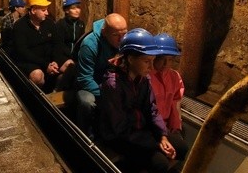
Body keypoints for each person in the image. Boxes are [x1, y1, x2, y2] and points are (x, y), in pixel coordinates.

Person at [98, 28, 177, 173]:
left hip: (140, 129)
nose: (152, 67)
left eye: (153, 61)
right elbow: (119, 127)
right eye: (147, 61)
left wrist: (162, 136)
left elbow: (152, 109)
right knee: (161, 164)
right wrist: (154, 142)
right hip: (119, 136)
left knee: (181, 147)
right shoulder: (113, 84)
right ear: (130, 59)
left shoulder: (143, 78)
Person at [75, 13, 127, 139]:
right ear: (104, 32)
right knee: (87, 102)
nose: (121, 39)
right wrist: (106, 96)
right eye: (116, 35)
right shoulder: (90, 45)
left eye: (124, 34)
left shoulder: (125, 41)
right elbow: (85, 78)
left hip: (111, 82)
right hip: (92, 83)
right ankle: (85, 134)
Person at [150, 33, 189, 165]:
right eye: (162, 59)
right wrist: (161, 135)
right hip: (151, 127)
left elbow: (175, 103)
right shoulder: (146, 76)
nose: (166, 64)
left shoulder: (174, 77)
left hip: (165, 125)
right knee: (160, 162)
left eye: (170, 59)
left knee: (182, 148)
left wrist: (176, 127)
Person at [13, 0, 58, 90]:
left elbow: (56, 44)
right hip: (30, 62)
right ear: (33, 10)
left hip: (48, 60)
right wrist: (45, 65)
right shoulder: (20, 26)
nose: (47, 13)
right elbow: (23, 52)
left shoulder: (49, 23)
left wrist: (55, 60)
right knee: (37, 76)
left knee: (69, 66)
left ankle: (55, 92)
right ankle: (36, 99)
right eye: (43, 10)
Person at [53, 0, 85, 91]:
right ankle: (57, 90)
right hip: (63, 57)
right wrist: (64, 60)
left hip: (74, 57)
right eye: (73, 8)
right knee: (70, 70)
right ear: (66, 11)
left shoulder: (81, 24)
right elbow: (58, 46)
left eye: (78, 8)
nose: (77, 11)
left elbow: (80, 42)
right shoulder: (60, 25)